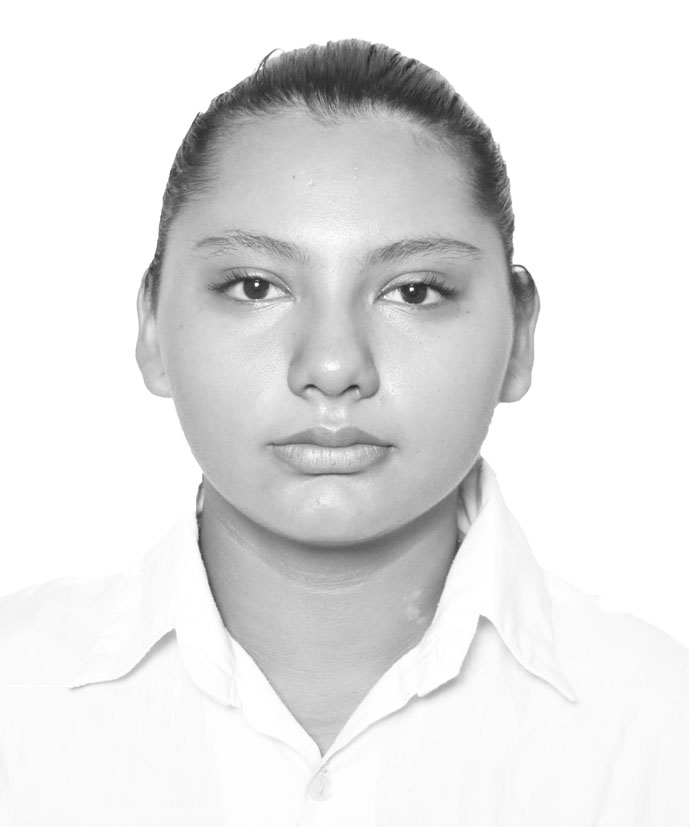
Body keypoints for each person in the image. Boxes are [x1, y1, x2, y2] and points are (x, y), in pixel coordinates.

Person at [1, 38, 688, 826]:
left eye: (415, 291)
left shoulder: (661, 725)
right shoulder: (14, 698)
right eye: (253, 286)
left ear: (520, 336)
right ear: (152, 326)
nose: (331, 366)